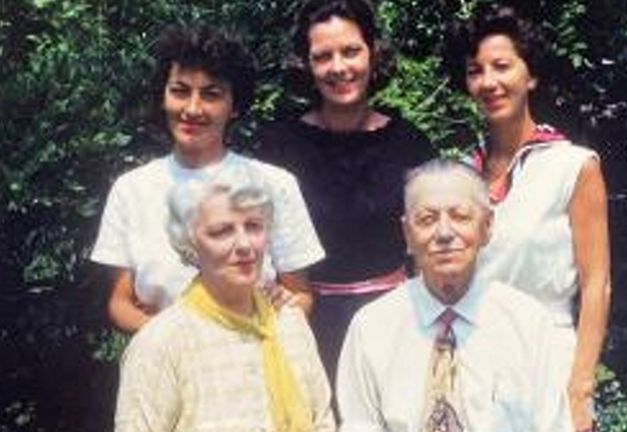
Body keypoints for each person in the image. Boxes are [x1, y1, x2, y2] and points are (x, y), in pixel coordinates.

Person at [91, 24, 324, 332]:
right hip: (163, 362)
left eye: (211, 94)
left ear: (234, 106)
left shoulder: (275, 184)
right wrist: (176, 343)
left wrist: (282, 312)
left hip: (255, 359)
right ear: (163, 97)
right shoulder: (131, 189)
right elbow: (119, 302)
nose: (192, 108)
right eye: (180, 91)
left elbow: (300, 295)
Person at [443, 6, 611, 431]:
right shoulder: (459, 177)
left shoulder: (573, 166)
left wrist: (579, 388)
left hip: (548, 359)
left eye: (502, 66)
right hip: (472, 359)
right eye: (475, 71)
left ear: (530, 75)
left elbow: (596, 284)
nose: (489, 82)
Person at [255, 0, 435, 387]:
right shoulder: (278, 147)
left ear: (373, 53)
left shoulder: (411, 146)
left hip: (395, 324)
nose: (339, 67)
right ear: (307, 64)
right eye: (323, 56)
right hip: (303, 325)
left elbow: (431, 246)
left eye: (351, 51)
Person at [336, 159, 572, 432]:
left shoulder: (527, 323)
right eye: (427, 219)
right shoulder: (371, 328)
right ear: (407, 234)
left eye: (460, 216)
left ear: (486, 227)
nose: (444, 233)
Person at [114, 167, 335, 432]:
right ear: (190, 242)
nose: (244, 245)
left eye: (253, 227)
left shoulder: (290, 323)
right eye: (221, 231)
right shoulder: (162, 343)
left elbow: (323, 422)